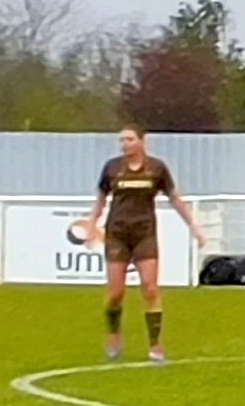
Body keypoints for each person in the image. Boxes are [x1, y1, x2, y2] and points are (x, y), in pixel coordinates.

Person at [87, 124, 207, 364]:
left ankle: (155, 345)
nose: (124, 144)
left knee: (150, 288)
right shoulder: (112, 168)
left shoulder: (157, 168)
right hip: (118, 234)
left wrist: (193, 225)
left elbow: (174, 198)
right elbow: (101, 199)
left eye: (129, 139)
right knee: (115, 293)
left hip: (145, 234)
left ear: (142, 141)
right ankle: (114, 335)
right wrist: (92, 225)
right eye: (122, 140)